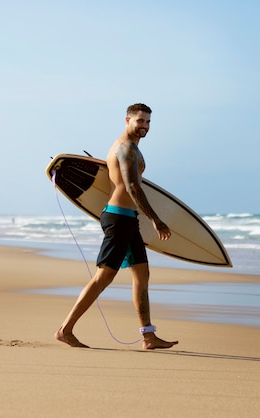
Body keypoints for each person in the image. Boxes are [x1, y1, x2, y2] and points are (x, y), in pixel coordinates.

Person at [55, 103, 179, 350]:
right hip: (119, 218)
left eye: (148, 122)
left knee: (142, 273)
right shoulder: (126, 150)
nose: (144, 126)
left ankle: (148, 335)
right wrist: (155, 219)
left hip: (127, 219)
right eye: (140, 121)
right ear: (127, 120)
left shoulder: (130, 148)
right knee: (104, 276)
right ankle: (65, 330)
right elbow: (132, 187)